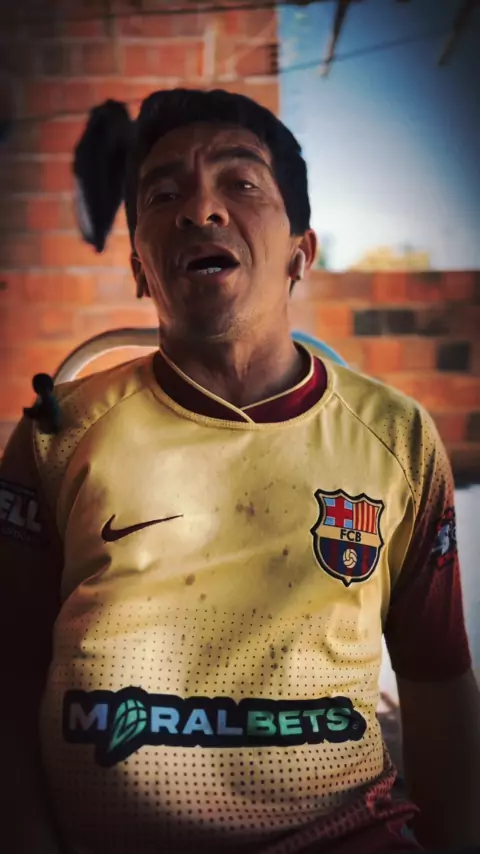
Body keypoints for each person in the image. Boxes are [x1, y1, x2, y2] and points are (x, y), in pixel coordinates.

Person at [1, 88, 479, 854]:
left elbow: (436, 676)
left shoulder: (396, 438)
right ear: (139, 268)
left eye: (242, 182)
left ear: (300, 252)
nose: (201, 209)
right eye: (163, 195)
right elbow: (10, 669)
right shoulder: (59, 435)